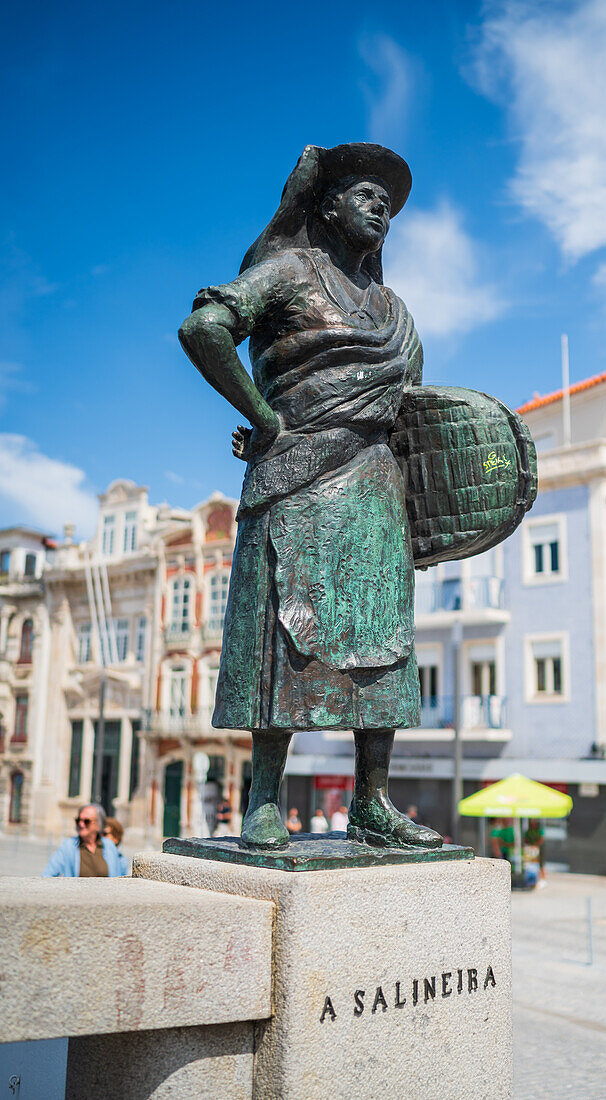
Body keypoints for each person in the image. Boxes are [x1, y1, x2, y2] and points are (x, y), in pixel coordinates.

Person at [179, 143, 441, 851]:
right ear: (326, 206)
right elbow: (204, 328)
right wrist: (265, 419)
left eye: (387, 201)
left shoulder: (395, 310)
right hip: (297, 479)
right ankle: (264, 797)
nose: (381, 206)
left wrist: (428, 521)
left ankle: (372, 802)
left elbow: (414, 416)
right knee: (285, 639)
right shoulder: (290, 271)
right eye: (364, 193)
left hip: (377, 486)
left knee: (380, 642)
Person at [43, 803, 126, 878]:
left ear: (98, 824)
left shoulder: (108, 845)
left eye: (86, 821)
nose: (81, 824)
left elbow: (121, 868)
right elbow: (48, 874)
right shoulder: (68, 845)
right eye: (78, 820)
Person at [524, 819, 546, 888]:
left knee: (540, 864)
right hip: (530, 850)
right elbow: (525, 839)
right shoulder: (528, 831)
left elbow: (541, 839)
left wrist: (535, 845)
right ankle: (532, 881)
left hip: (538, 850)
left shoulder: (540, 830)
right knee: (531, 865)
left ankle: (542, 879)